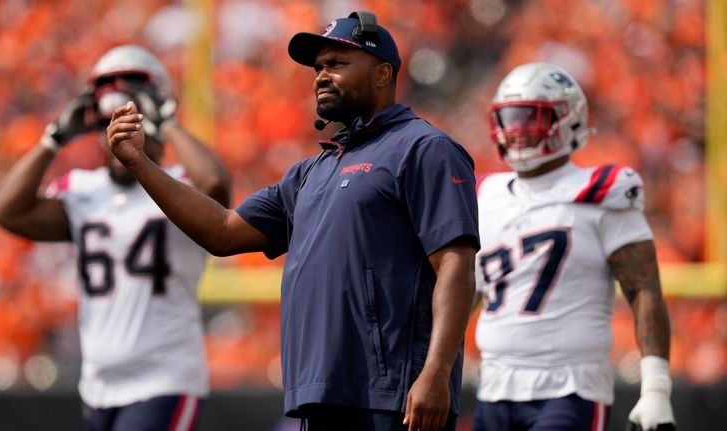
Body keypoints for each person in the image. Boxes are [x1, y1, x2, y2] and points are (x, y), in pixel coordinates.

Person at [106, 11, 479, 431]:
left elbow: (455, 267)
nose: (321, 76)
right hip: (322, 396)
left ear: (382, 74)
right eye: (318, 67)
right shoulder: (310, 172)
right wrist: (139, 164)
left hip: (393, 396)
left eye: (337, 64)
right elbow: (222, 231)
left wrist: (435, 372)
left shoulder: (424, 148)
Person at [0, 44, 232, 431]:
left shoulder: (179, 187)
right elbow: (6, 210)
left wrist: (165, 119)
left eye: (131, 125)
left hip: (164, 379)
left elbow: (215, 184)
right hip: (99, 386)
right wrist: (54, 138)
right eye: (111, 127)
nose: (117, 142)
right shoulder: (84, 190)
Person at [472, 62, 676, 431]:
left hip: (570, 387)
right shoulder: (484, 194)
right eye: (509, 117)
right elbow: (464, 293)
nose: (516, 130)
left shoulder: (602, 190)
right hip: (493, 385)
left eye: (530, 116)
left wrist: (656, 387)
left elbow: (643, 288)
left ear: (568, 120)